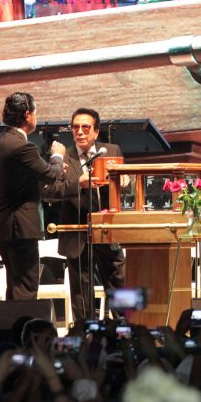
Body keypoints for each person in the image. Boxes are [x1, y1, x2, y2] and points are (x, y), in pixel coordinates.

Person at [43, 107, 124, 323]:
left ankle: (127, 330)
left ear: (96, 132)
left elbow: (126, 185)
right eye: (75, 127)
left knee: (119, 283)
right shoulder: (62, 157)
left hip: (108, 230)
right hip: (77, 232)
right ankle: (85, 334)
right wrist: (76, 184)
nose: (80, 132)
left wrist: (127, 182)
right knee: (81, 291)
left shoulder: (112, 150)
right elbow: (49, 191)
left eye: (85, 127)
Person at [0, 92, 65, 300]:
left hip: (2, 225)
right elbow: (50, 174)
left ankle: (14, 330)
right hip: (18, 227)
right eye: (35, 113)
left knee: (15, 284)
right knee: (26, 287)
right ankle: (25, 330)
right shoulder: (22, 146)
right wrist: (57, 155)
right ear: (28, 115)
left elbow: (19, 178)